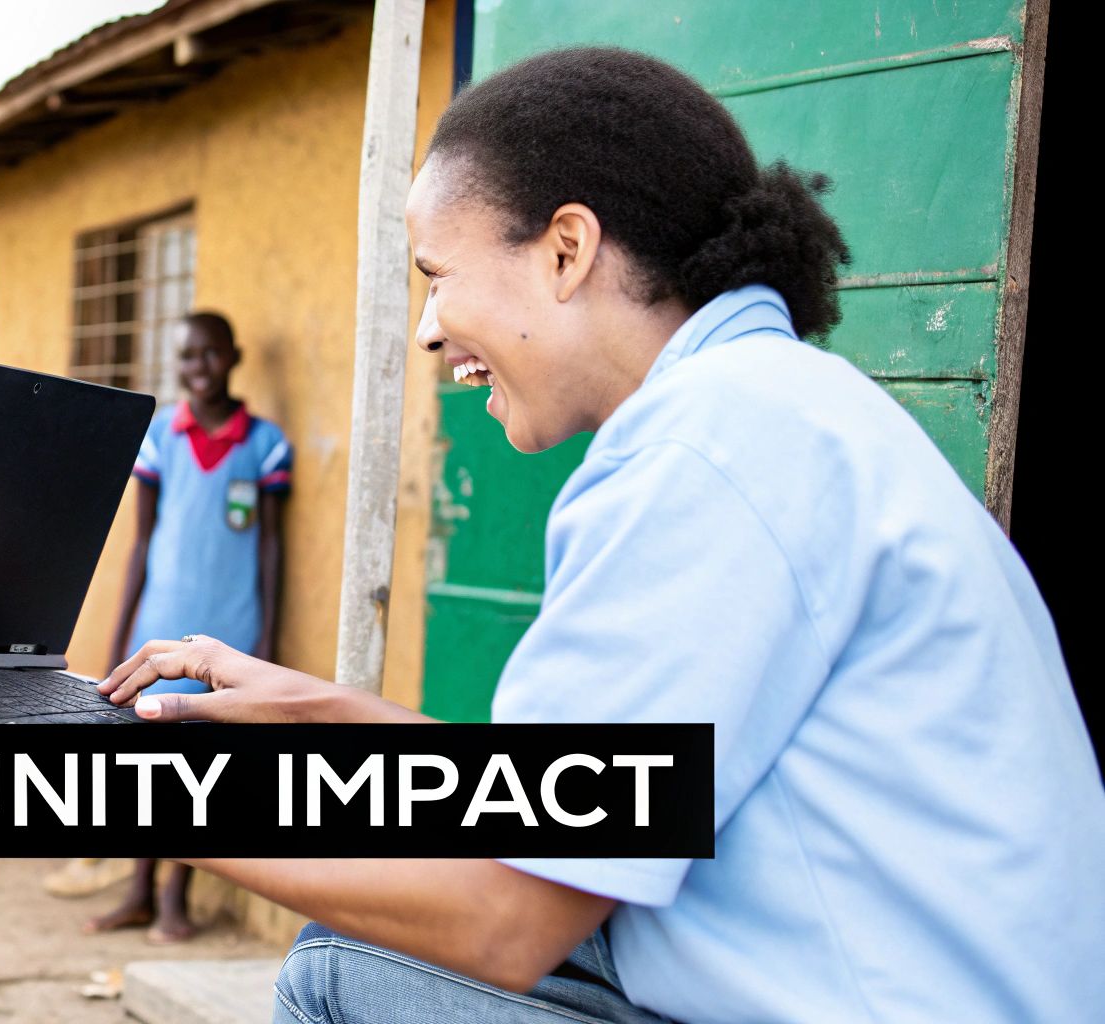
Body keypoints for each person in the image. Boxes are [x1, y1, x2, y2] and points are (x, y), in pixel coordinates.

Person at [97, 49, 1105, 1024]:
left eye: (437, 276)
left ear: (565, 250)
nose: (428, 329)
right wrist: (325, 711)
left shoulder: (702, 453)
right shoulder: (767, 407)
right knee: (354, 949)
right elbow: (584, 797)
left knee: (340, 973)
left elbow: (508, 915)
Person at [87, 310, 291, 944]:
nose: (196, 368)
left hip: (231, 632)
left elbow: (272, 548)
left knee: (200, 772)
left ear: (233, 356)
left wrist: (268, 643)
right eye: (184, 357)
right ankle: (139, 892)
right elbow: (141, 544)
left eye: (208, 354)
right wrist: (121, 633)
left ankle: (177, 897)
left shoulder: (266, 445)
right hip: (158, 632)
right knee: (148, 765)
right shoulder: (159, 440)